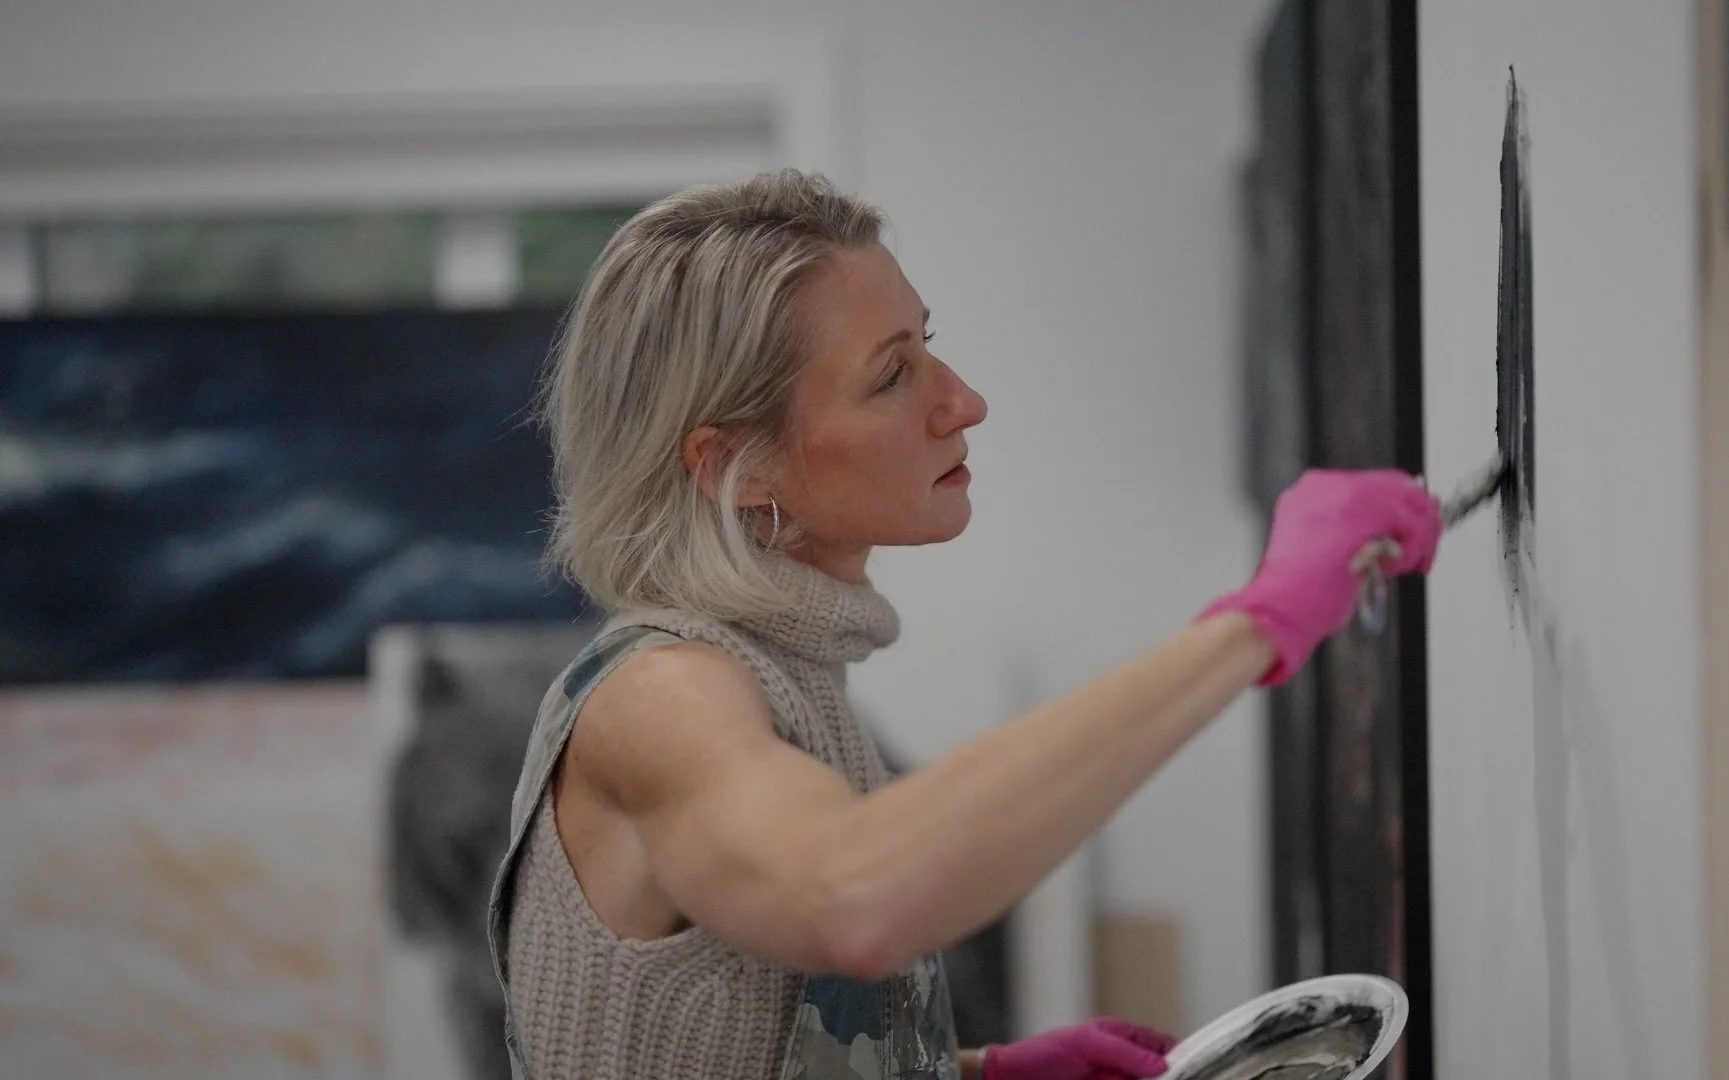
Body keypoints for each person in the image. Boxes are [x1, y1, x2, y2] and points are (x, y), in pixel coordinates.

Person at [485, 169, 1444, 1080]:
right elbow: (853, 897)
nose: (964, 403)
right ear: (737, 465)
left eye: (927, 344)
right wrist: (1261, 619)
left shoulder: (785, 677)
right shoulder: (660, 696)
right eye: (891, 376)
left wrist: (973, 1070)